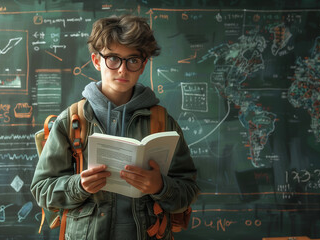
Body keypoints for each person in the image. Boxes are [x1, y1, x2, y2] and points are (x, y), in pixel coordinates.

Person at [30, 14, 199, 240]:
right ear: (97, 60)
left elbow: (188, 190)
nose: (122, 70)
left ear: (143, 65)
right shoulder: (72, 120)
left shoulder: (161, 121)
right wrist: (78, 185)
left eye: (132, 60)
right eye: (113, 59)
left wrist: (160, 187)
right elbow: (41, 189)